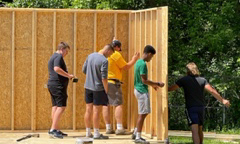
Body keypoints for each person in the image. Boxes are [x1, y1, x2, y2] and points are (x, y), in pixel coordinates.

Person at [168, 62, 230, 144]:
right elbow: (211, 91)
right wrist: (222, 100)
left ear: (187, 71)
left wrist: (161, 86)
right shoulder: (202, 80)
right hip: (201, 107)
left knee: (194, 130)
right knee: (200, 129)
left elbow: (171, 88)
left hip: (191, 108)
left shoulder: (184, 80)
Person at [102, 39, 140, 135]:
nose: (119, 51)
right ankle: (119, 128)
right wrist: (134, 59)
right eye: (119, 49)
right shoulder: (116, 54)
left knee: (105, 105)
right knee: (118, 104)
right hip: (113, 83)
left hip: (103, 82)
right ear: (117, 47)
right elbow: (126, 67)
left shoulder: (101, 52)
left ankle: (108, 128)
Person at [132, 45, 164, 144]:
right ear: (149, 54)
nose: (151, 58)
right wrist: (157, 84)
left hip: (138, 89)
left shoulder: (138, 62)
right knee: (142, 114)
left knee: (143, 113)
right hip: (142, 91)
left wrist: (153, 86)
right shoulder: (143, 64)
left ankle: (135, 132)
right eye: (152, 56)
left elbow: (143, 80)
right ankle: (138, 137)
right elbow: (144, 80)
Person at [83, 44, 114, 139]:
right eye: (110, 54)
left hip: (87, 86)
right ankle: (96, 133)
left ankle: (88, 132)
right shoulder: (104, 60)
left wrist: (91, 75)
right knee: (96, 110)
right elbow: (104, 78)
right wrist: (106, 90)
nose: (109, 56)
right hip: (98, 88)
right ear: (108, 51)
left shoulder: (90, 55)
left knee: (88, 109)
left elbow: (84, 70)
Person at [47, 42, 74, 138]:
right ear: (62, 49)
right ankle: (53, 130)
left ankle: (55, 129)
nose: (66, 54)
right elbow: (57, 68)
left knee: (55, 106)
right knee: (61, 106)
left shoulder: (53, 56)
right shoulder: (58, 57)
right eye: (66, 51)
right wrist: (69, 75)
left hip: (52, 84)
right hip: (58, 85)